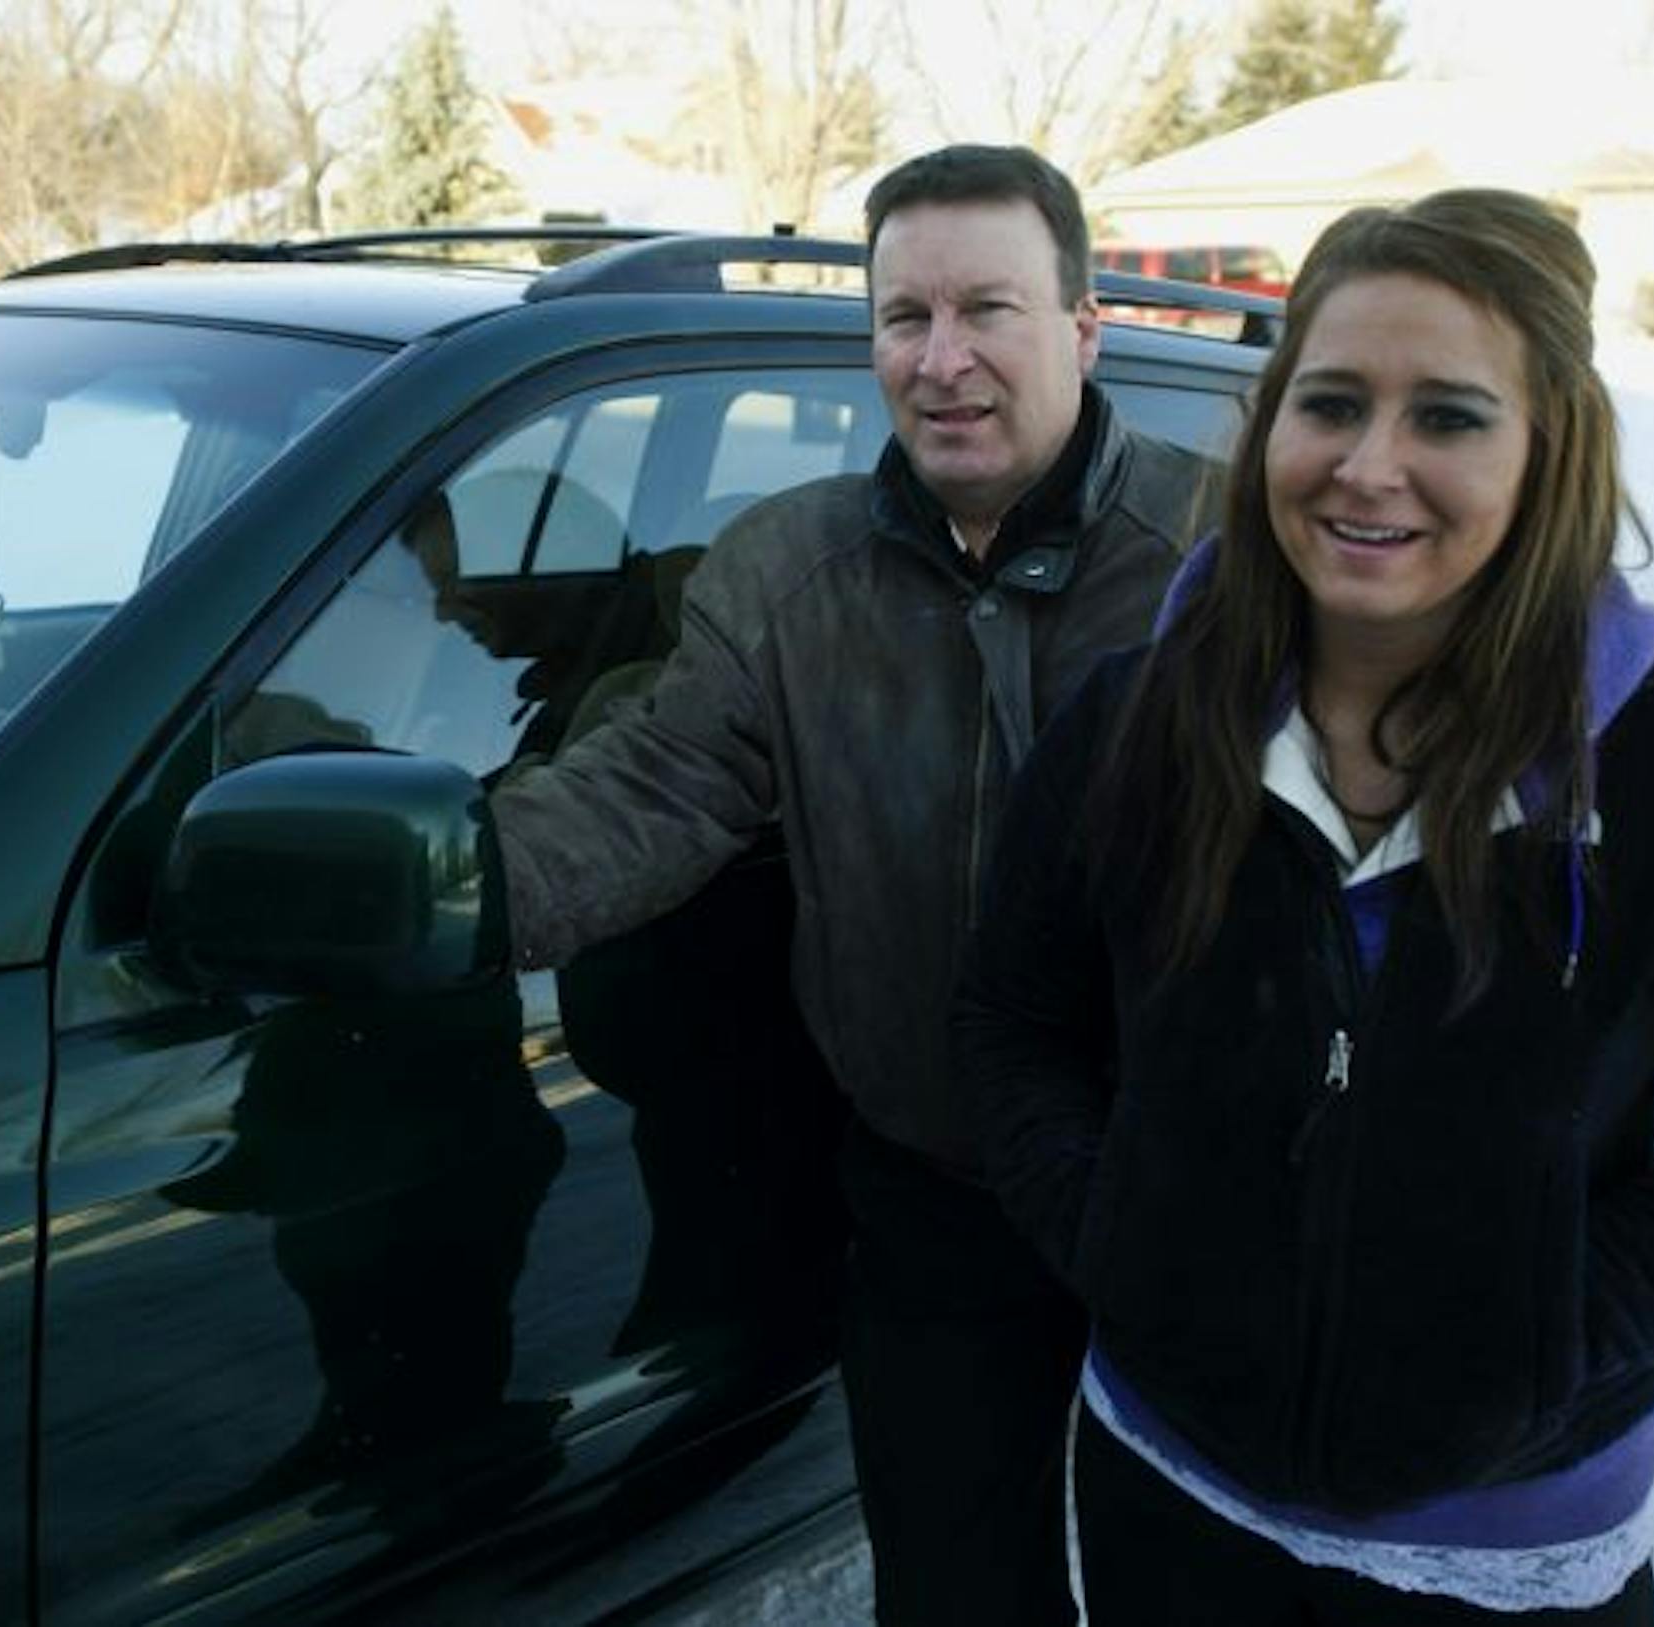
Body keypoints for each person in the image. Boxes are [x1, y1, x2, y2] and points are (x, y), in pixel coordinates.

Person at [953, 189, 1654, 1624]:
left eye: (1448, 416)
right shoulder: (1138, 720)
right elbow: (1014, 1021)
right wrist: (1122, 1239)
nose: (1370, 466)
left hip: (1506, 1544)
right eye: (1332, 404)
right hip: (1166, 1482)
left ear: (1549, 447)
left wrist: (1542, 1321)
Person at [490, 143, 1222, 1626]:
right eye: (905, 318)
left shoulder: (1224, 560)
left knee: (1195, 1599)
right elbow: (655, 783)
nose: (941, 361)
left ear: (1084, 329)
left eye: (988, 310)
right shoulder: (789, 572)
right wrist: (455, 887)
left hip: (1190, 1203)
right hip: (936, 1194)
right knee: (955, 1593)